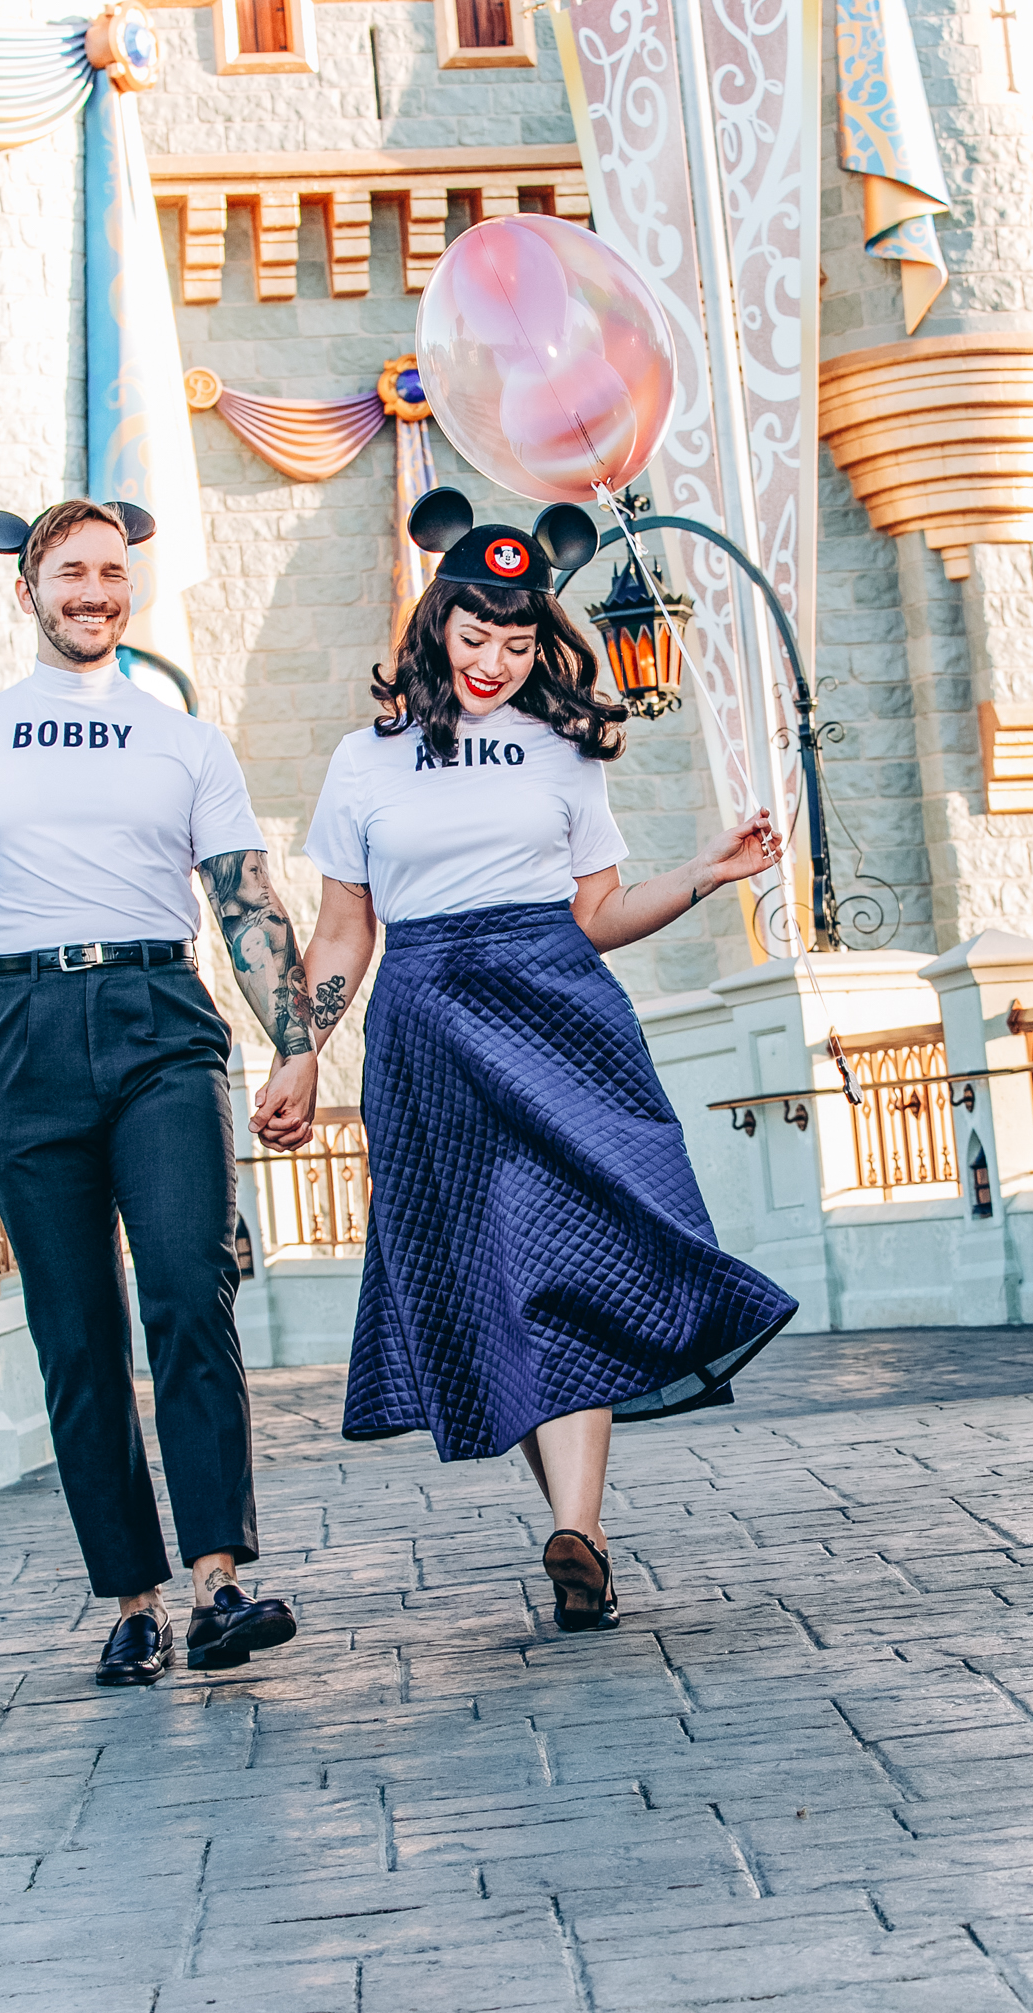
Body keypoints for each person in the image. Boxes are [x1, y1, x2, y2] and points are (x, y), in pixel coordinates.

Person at [296, 493, 798, 1634]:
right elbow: (341, 933)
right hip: (427, 1029)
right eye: (473, 637)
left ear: (542, 641)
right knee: (495, 1276)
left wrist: (705, 874)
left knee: (575, 1254)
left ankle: (577, 1529)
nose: (492, 662)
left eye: (517, 643)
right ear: (434, 626)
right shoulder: (363, 761)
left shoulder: (565, 750)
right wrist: (299, 1051)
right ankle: (582, 1535)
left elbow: (596, 915)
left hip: (558, 1016)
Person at [0, 496, 316, 1684]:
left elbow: (244, 903)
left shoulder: (184, 739)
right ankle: (133, 1601)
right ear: (27, 591)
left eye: (112, 573)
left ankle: (220, 1581)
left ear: (131, 588)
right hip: (21, 1026)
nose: (94, 592)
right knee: (74, 1333)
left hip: (159, 1020)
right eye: (71, 572)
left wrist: (300, 1043)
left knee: (185, 1288)